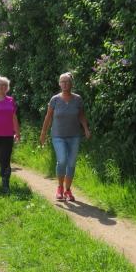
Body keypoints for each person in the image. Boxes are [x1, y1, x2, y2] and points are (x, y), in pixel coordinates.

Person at [40, 72, 91, 202]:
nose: (65, 84)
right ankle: (59, 188)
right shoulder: (55, 99)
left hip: (74, 136)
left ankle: (68, 190)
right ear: (59, 83)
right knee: (62, 160)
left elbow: (81, 115)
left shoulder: (78, 99)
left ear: (71, 84)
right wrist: (43, 133)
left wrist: (85, 128)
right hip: (58, 136)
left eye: (67, 81)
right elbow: (48, 117)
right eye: (62, 82)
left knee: (72, 163)